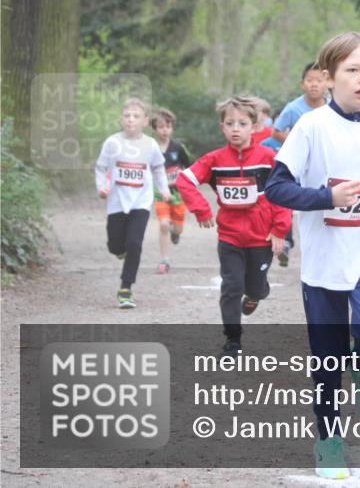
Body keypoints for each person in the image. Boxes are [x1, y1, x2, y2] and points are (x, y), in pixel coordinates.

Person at [264, 32, 360, 480]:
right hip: (321, 263)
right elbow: (276, 187)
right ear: (329, 78)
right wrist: (327, 197)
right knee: (326, 361)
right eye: (353, 70)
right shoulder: (311, 127)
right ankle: (329, 441)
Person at [176, 96, 290, 356]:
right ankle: (233, 342)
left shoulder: (268, 157)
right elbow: (184, 179)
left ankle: (256, 294)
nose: (236, 128)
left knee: (254, 287)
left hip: (261, 237)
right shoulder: (214, 160)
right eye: (230, 123)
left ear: (254, 126)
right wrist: (201, 209)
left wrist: (279, 229)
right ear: (222, 128)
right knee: (231, 287)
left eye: (242, 123)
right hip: (229, 237)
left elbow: (283, 191)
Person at [95, 98, 170, 309]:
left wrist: (163, 188)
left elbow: (157, 168)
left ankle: (126, 288)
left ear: (145, 121)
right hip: (117, 201)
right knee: (115, 246)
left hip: (141, 201)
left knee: (134, 243)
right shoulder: (112, 143)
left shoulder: (150, 144)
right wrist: (102, 187)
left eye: (136, 116)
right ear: (121, 118)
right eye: (127, 116)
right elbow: (101, 168)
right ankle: (120, 250)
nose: (130, 120)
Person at [261, 62, 327, 265]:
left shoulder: (332, 106)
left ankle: (322, 249)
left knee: (322, 203)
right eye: (310, 80)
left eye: (319, 80)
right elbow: (276, 131)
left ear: (327, 82)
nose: (314, 84)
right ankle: (287, 241)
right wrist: (298, 144)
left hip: (322, 165)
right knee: (289, 201)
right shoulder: (293, 108)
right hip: (298, 166)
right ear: (302, 84)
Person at [150, 108, 192, 274]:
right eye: (160, 127)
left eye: (167, 126)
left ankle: (176, 233)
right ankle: (164, 260)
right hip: (160, 194)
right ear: (154, 129)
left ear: (172, 128)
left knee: (177, 228)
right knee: (163, 224)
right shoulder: (150, 148)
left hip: (177, 195)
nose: (164, 130)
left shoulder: (178, 148)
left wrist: (189, 186)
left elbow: (189, 167)